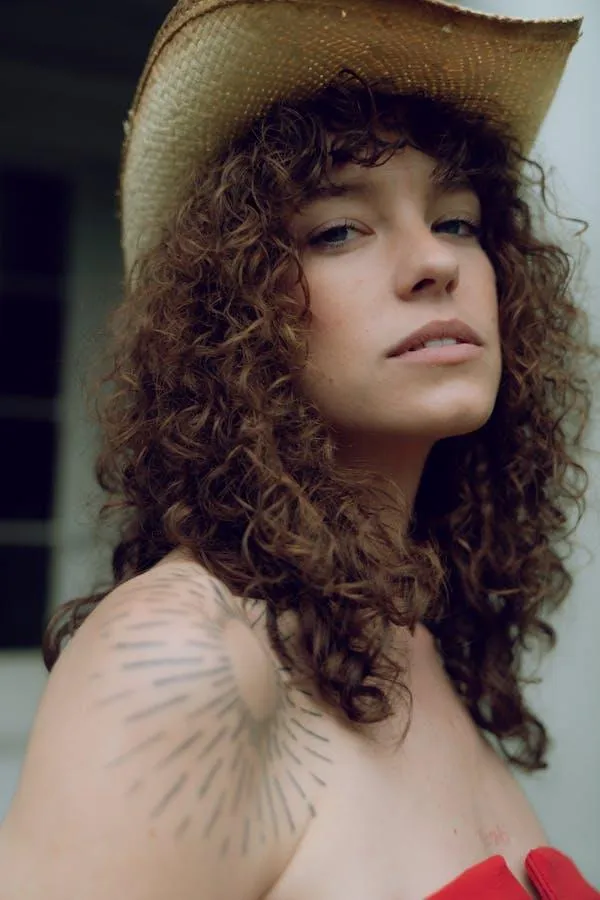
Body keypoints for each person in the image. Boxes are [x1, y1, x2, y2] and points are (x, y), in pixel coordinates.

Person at [1, 0, 599, 898]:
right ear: (232, 313)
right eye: (338, 231)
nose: (433, 262)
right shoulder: (188, 658)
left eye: (458, 220)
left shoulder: (416, 640)